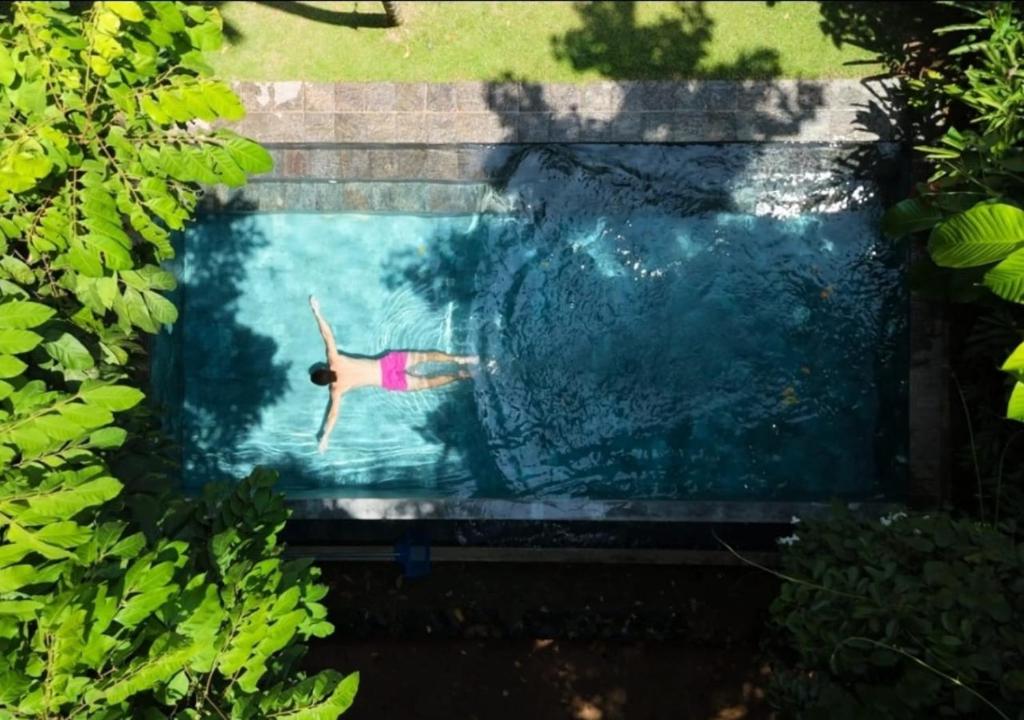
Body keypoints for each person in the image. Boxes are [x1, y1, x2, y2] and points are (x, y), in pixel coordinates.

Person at [308, 295, 477, 452]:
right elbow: (327, 335)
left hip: (388, 380)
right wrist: (316, 312)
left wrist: (325, 436)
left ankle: (460, 375)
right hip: (387, 363)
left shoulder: (336, 390)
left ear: (325, 384)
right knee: (426, 357)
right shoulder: (334, 360)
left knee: (427, 383)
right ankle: (459, 359)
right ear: (323, 368)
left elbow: (333, 414)